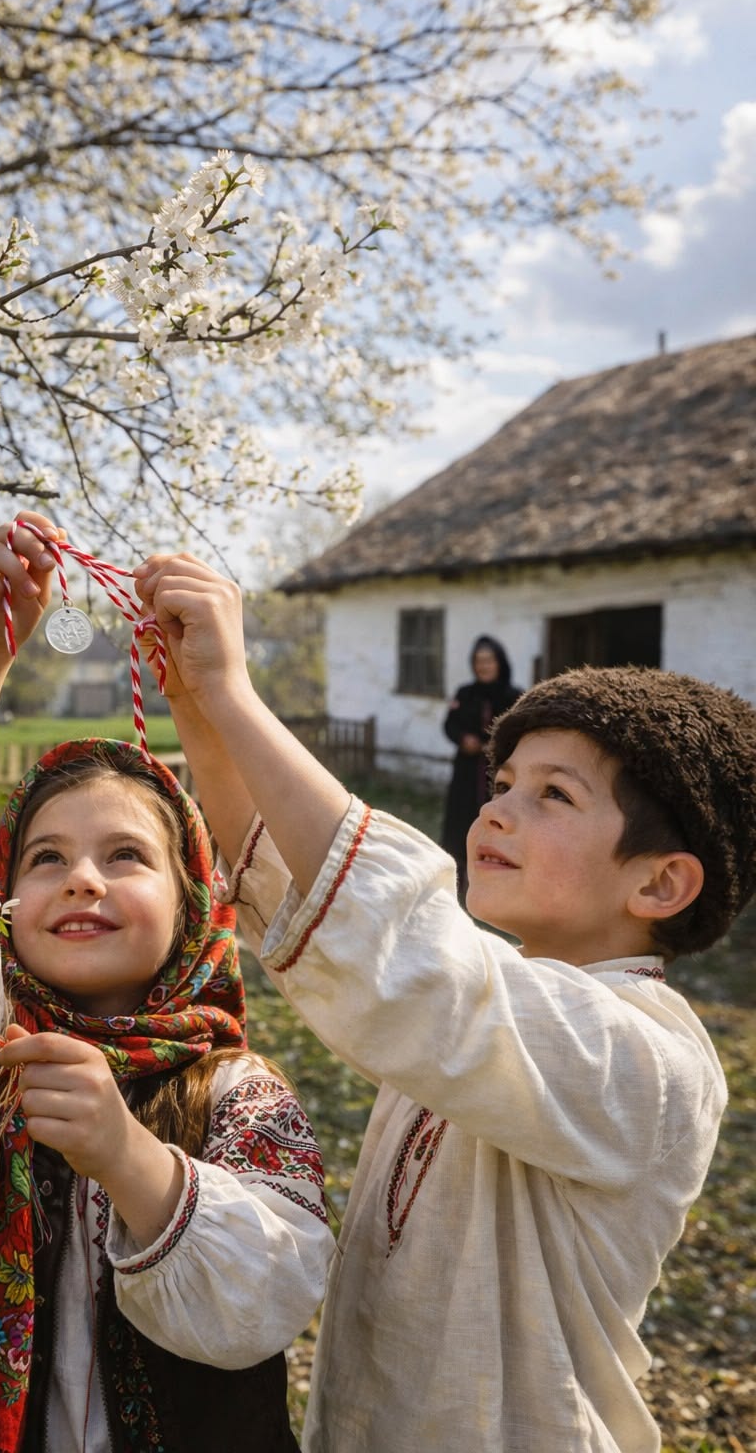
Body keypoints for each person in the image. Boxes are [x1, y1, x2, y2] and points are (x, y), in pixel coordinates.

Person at [132, 551, 756, 1453]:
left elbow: (403, 947)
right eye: (503, 786)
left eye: (553, 795)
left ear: (661, 884)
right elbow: (292, 884)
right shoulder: (502, 999)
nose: (497, 811)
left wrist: (235, 695)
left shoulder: (651, 1061)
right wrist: (196, 705)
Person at [0, 514, 333, 1453]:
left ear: (194, 903)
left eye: (125, 855)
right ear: (4, 897)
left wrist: (130, 1157)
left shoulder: (238, 1092)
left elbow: (271, 1296)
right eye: (47, 857)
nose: (82, 878)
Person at [440, 634, 521, 895]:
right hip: (465, 771)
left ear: (499, 663)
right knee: (461, 822)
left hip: (500, 774)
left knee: (496, 822)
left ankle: (495, 883)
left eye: (488, 660)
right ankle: (459, 883)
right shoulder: (465, 693)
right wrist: (463, 739)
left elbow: (520, 731)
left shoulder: (514, 696)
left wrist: (493, 747)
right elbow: (449, 724)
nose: (483, 666)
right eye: (478, 661)